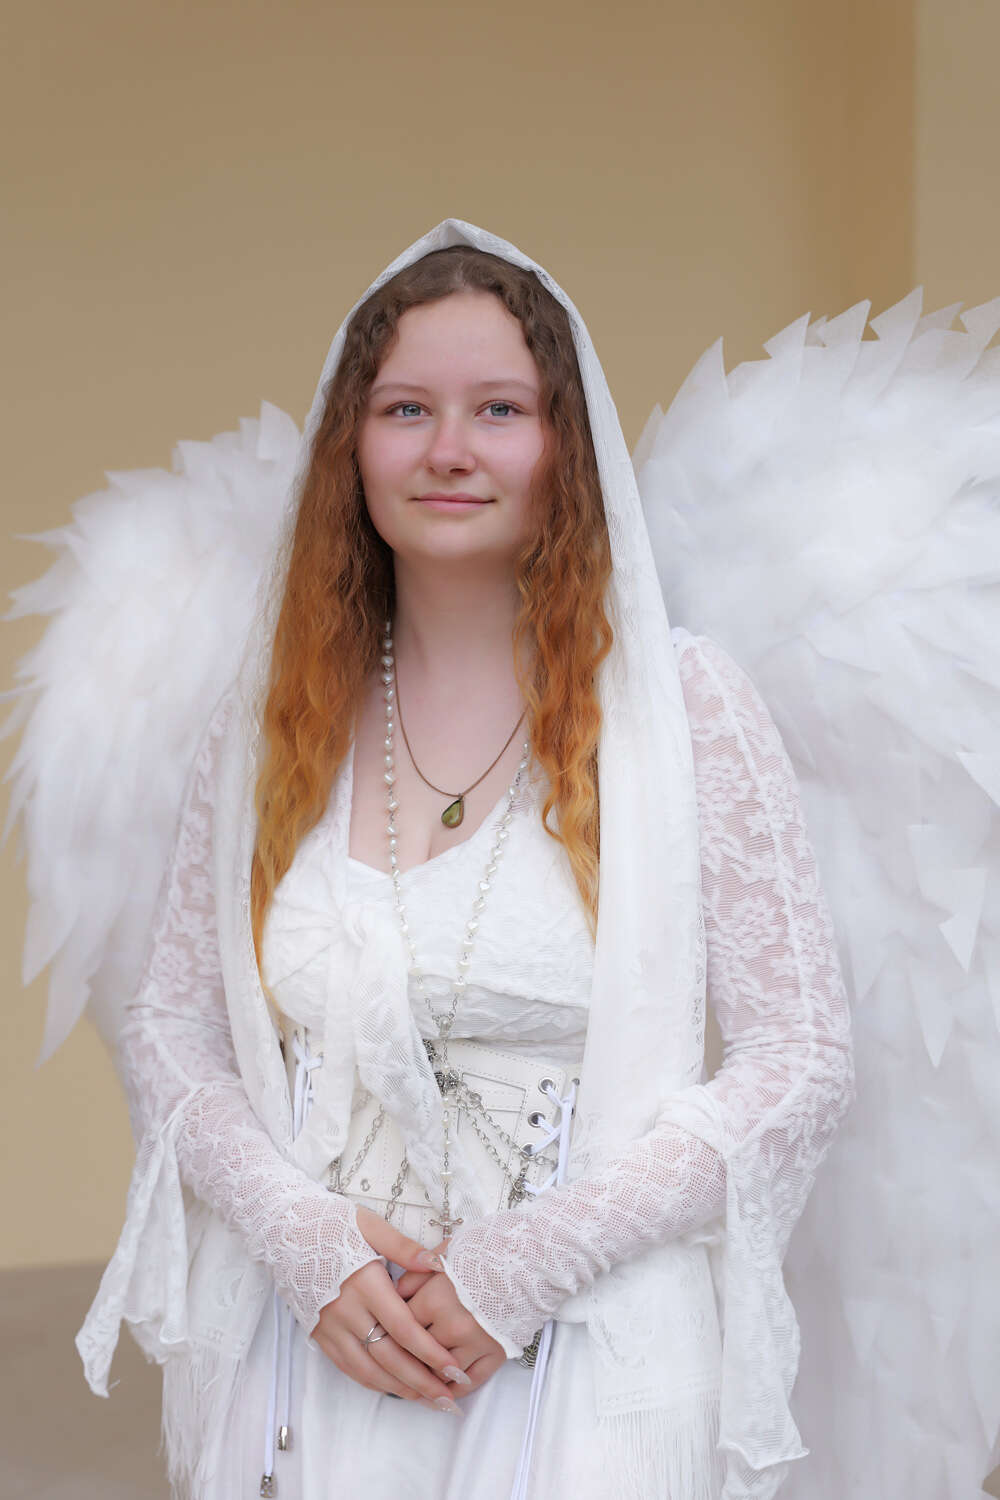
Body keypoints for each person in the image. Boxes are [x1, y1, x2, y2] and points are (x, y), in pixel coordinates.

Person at [68, 222, 856, 1500]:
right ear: (350, 446)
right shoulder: (268, 721)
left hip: (590, 1362)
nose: (448, 449)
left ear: (565, 446)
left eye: (499, 409)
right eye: (404, 409)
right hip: (312, 1354)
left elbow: (801, 1059)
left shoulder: (686, 708)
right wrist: (300, 1236)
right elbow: (170, 1024)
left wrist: (529, 1262)